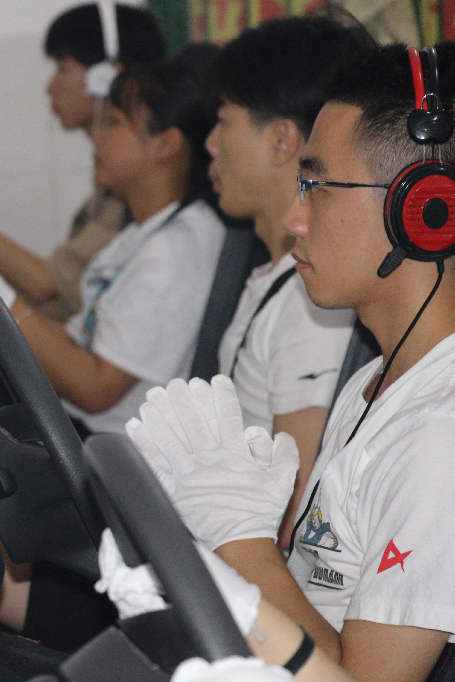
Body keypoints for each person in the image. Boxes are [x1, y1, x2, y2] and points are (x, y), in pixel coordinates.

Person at [128, 42, 455, 682]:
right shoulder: (375, 382)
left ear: (425, 209)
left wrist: (240, 542)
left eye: (317, 187)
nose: (293, 218)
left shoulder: (440, 435)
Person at [203, 17, 373, 548]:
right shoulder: (278, 277)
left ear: (281, 140)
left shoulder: (311, 299)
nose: (210, 144)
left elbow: (293, 509)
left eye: (223, 122)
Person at [10, 55, 225, 438]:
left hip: (113, 453)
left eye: (113, 122)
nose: (97, 138)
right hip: (84, 435)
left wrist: (7, 308)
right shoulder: (143, 233)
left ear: (166, 144)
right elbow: (75, 339)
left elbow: (96, 389)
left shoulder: (176, 250)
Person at [0, 3, 165, 323]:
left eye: (62, 69)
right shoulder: (107, 186)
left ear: (106, 78)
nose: (50, 87)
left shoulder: (135, 190)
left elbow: (47, 284)